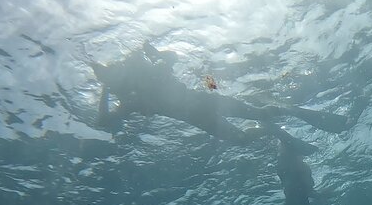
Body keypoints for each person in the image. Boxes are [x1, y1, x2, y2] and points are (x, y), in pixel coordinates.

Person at [93, 42, 353, 155]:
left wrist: (157, 52)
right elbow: (103, 122)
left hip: (207, 102)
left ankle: (289, 113)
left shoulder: (146, 76)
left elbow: (174, 59)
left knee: (257, 113)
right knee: (240, 141)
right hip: (199, 116)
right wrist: (106, 88)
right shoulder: (133, 101)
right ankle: (273, 131)